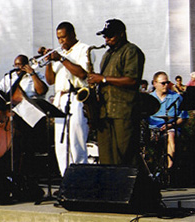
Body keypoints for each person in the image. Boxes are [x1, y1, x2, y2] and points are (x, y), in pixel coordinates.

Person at [88, 19, 145, 168]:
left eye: (110, 36)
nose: (106, 40)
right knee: (107, 158)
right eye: (105, 37)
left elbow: (132, 80)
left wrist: (104, 79)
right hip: (105, 112)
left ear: (121, 34)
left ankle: (142, 191)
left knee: (126, 156)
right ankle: (111, 189)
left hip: (123, 111)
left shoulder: (131, 51)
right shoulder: (107, 54)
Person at [44, 22, 92, 177]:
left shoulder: (84, 49)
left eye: (63, 37)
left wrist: (61, 59)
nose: (61, 42)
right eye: (58, 38)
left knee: (76, 141)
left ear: (73, 34)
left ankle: (81, 179)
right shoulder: (60, 55)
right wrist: (47, 61)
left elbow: (83, 74)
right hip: (60, 98)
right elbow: (50, 80)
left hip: (77, 96)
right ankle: (66, 179)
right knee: (61, 143)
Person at [0, 54, 48, 172]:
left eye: (21, 65)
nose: (18, 67)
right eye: (16, 65)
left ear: (26, 65)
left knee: (28, 148)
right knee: (14, 148)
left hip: (31, 116)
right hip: (14, 116)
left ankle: (28, 174)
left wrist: (32, 73)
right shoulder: (9, 77)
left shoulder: (36, 75)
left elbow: (42, 90)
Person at [148, 71, 188, 169]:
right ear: (154, 83)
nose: (166, 85)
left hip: (170, 128)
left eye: (167, 83)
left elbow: (183, 117)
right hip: (152, 129)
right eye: (163, 83)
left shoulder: (176, 97)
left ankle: (169, 166)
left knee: (171, 135)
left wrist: (170, 125)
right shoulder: (148, 98)